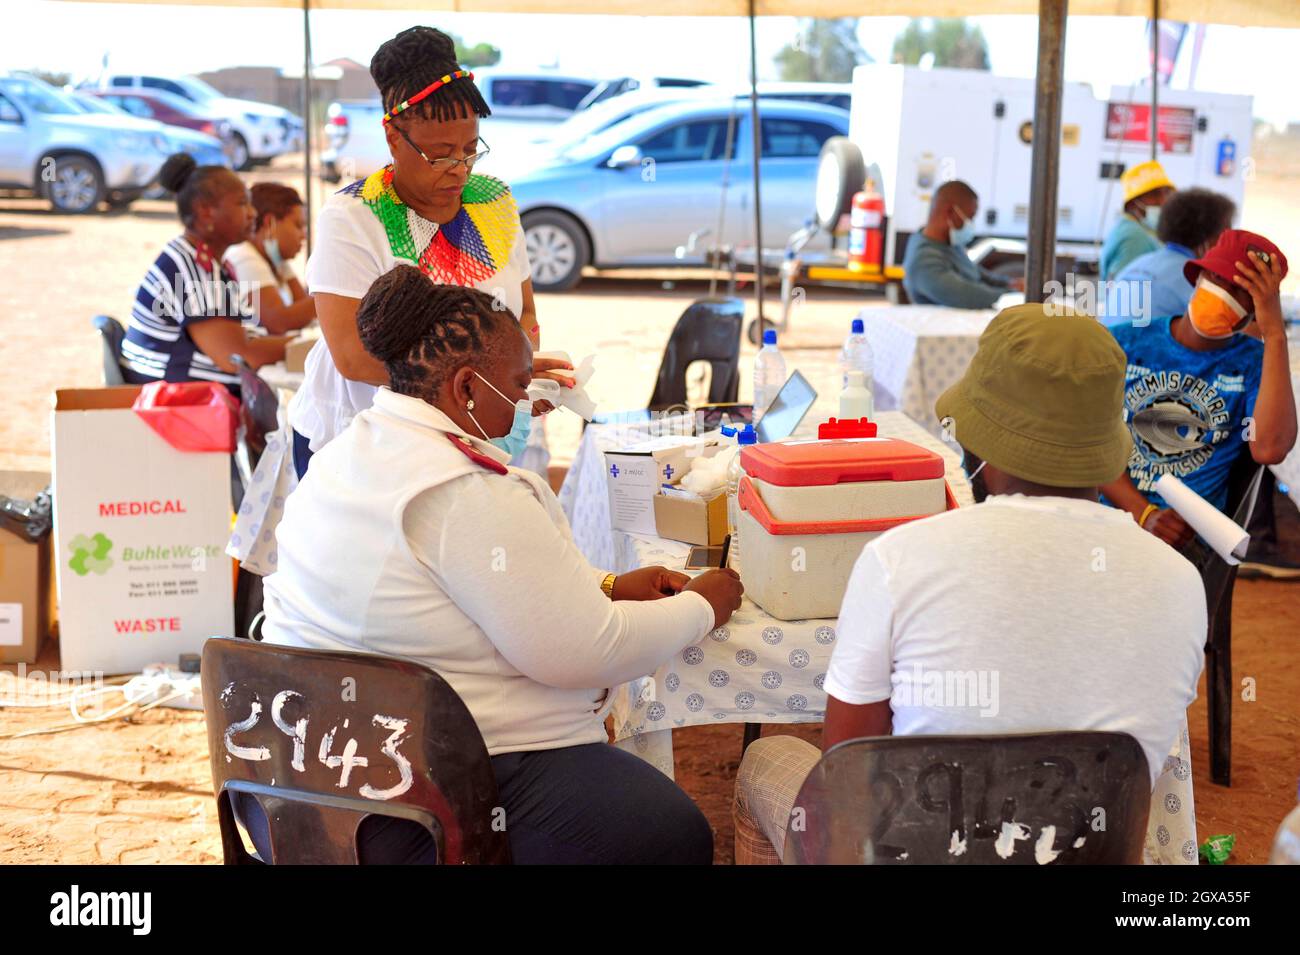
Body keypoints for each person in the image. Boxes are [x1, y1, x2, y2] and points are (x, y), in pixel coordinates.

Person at [252, 266, 745, 864]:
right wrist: (704, 606)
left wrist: (608, 585)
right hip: (408, 803)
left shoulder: (352, 452)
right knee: (669, 832)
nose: (527, 406)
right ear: (464, 388)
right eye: (517, 388)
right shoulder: (462, 490)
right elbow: (588, 652)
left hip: (300, 776)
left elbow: (473, 581)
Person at [731, 303, 1206, 863]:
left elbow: (849, 774)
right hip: (1090, 854)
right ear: (1103, 451)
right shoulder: (1180, 582)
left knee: (767, 758)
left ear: (977, 447)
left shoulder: (898, 559)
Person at [287, 25, 569, 480]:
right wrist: (486, 385)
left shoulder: (493, 204)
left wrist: (516, 376)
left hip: (467, 436)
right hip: (361, 444)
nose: (459, 169)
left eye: (470, 150)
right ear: (394, 137)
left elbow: (525, 313)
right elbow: (353, 357)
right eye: (440, 155)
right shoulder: (353, 217)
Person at [1099, 231, 1294, 552]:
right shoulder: (1125, 343)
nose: (1223, 291)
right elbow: (1086, 441)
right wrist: (1144, 514)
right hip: (1110, 524)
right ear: (1198, 276)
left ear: (1256, 308)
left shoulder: (1252, 362)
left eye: (1242, 291)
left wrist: (1274, 335)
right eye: (1216, 278)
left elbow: (1269, 449)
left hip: (1191, 543)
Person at [122, 154, 289, 399]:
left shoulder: (199, 259)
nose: (253, 213)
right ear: (206, 211)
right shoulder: (189, 266)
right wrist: (301, 348)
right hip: (176, 405)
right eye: (242, 203)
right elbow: (238, 356)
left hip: (186, 396)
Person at [1103, 187, 1235, 327]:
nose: (1227, 245)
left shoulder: (1137, 265)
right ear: (1207, 239)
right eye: (1224, 235)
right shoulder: (1196, 283)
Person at [900, 180, 1023, 309]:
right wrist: (1013, 294)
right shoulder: (923, 259)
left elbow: (976, 273)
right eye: (970, 217)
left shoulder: (950, 245)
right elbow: (967, 295)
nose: (970, 224)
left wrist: (1011, 283)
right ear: (950, 212)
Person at [224, 182, 316, 333]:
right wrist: (331, 296)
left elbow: (304, 307)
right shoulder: (244, 256)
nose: (303, 235)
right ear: (269, 223)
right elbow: (278, 322)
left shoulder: (276, 259)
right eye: (298, 225)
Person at [1100, 160, 1175, 281]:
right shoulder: (1134, 237)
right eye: (1154, 194)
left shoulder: (1141, 229)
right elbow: (1122, 291)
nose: (1163, 201)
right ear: (1132, 204)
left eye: (1166, 193)